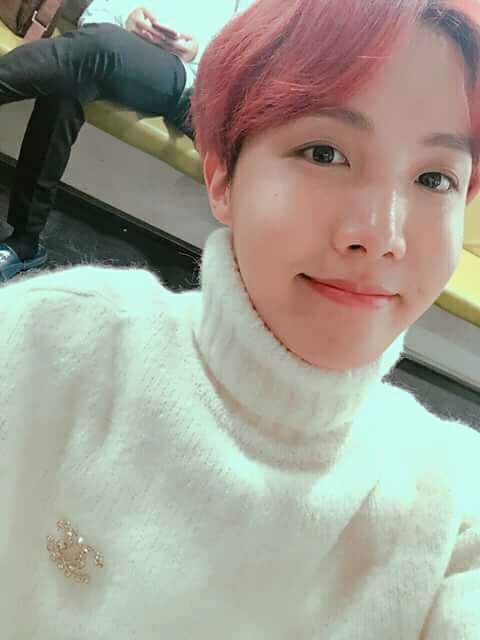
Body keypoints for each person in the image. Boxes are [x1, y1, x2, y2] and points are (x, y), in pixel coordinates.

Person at [1, 0, 480, 637]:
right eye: (324, 152)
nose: (380, 237)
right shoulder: (55, 341)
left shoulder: (453, 508)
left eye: (434, 179)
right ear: (222, 177)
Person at [0, 0, 253, 282]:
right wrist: (128, 18)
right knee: (69, 86)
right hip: (112, 52)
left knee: (100, 47)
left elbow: (240, 64)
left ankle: (24, 242)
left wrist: (195, 51)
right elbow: (96, 15)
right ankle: (24, 242)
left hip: (181, 78)